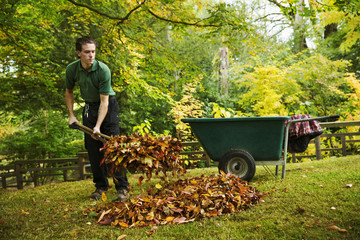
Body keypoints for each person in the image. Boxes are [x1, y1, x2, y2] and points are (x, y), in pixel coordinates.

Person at [65, 36, 129, 201]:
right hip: (89, 107)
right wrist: (72, 115)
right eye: (87, 52)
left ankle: (122, 188)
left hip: (108, 106)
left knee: (114, 147)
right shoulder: (72, 70)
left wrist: (98, 126)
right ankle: (101, 187)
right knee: (93, 149)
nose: (91, 55)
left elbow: (104, 101)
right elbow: (69, 92)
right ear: (79, 53)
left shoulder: (103, 70)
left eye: (93, 51)